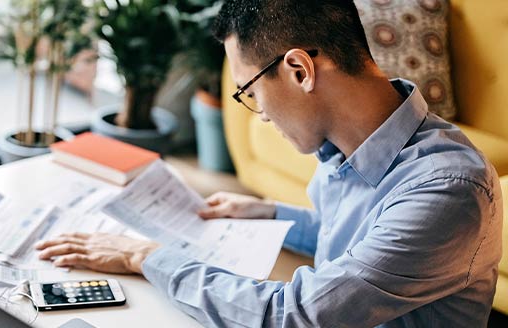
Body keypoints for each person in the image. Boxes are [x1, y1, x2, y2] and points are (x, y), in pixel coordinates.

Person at [34, 0, 503, 326]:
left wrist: (145, 256)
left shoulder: (447, 190)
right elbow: (356, 237)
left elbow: (293, 316)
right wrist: (270, 213)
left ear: (301, 70)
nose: (259, 112)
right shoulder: (352, 142)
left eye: (250, 91)